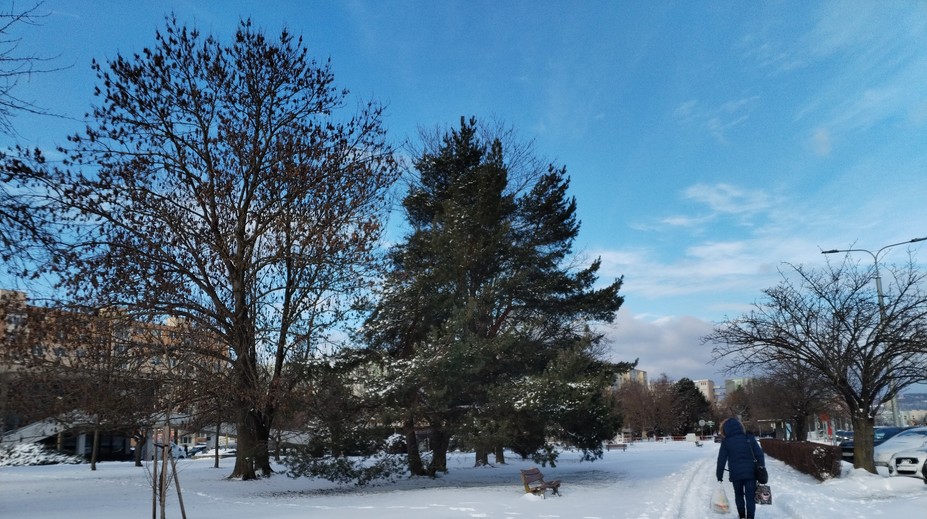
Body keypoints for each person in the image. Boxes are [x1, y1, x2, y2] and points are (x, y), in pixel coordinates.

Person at [716, 417, 765, 519]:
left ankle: (742, 516)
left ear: (725, 429)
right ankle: (750, 517)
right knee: (750, 497)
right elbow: (759, 454)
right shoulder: (749, 438)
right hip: (751, 473)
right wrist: (761, 468)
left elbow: (721, 459)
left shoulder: (726, 442)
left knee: (738, 495)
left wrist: (719, 475)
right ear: (740, 426)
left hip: (735, 474)